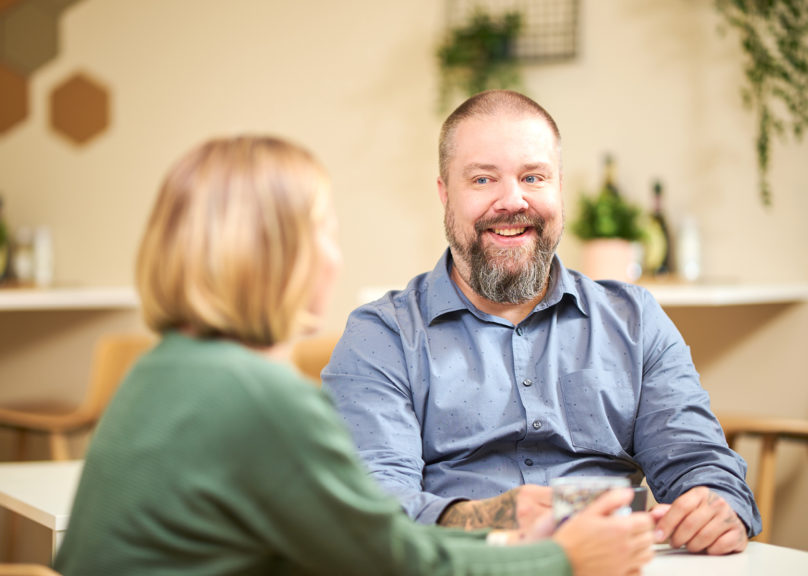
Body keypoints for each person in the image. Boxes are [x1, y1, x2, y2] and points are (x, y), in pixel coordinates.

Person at [54, 135, 655, 576]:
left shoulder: (168, 369)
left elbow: (365, 545)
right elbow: (392, 564)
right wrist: (562, 561)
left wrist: (515, 548)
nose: (333, 257)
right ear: (271, 252)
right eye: (324, 230)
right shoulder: (257, 396)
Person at [321, 90, 762, 556]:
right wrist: (499, 516)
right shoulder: (381, 336)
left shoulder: (636, 321)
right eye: (483, 179)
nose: (512, 200)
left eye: (533, 176)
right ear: (444, 194)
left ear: (559, 187)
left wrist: (717, 507)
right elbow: (373, 506)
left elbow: (702, 467)